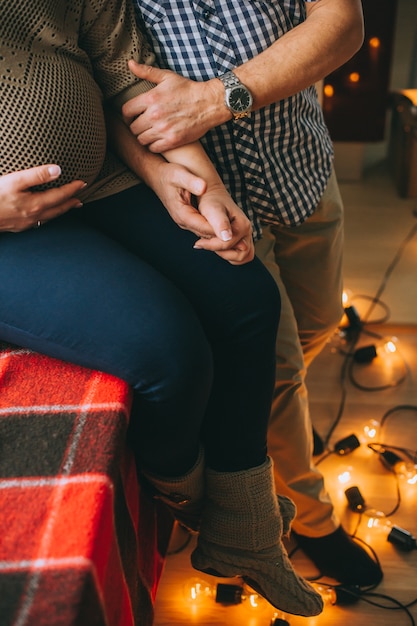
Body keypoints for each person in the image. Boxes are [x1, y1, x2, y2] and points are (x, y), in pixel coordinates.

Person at [0, 0, 325, 617]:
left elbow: (124, 72)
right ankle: (224, 517)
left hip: (99, 181)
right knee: (168, 352)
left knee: (249, 299)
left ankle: (242, 537)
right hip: (8, 226)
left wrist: (198, 187)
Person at [120, 0, 384, 587]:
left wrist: (215, 99)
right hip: (215, 207)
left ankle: (282, 432)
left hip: (303, 169)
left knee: (319, 323)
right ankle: (312, 520)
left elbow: (342, 22)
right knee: (280, 371)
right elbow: (99, 78)